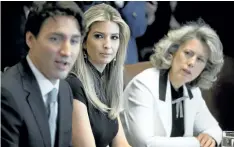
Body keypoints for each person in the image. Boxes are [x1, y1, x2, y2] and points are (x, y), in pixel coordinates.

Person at [120, 21, 224, 147]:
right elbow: (146, 143)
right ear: (172, 52)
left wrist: (210, 137)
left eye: (200, 59)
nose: (191, 62)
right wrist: (197, 142)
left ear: (205, 68)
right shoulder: (142, 85)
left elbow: (214, 129)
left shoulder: (191, 90)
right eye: (188, 53)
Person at [1, 2, 84, 147]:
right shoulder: (6, 94)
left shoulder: (65, 89)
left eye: (74, 41)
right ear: (30, 39)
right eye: (55, 39)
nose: (67, 51)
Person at [66, 3, 131, 147]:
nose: (108, 45)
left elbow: (121, 144)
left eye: (114, 37)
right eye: (99, 36)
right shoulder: (73, 84)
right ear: (83, 42)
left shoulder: (109, 81)